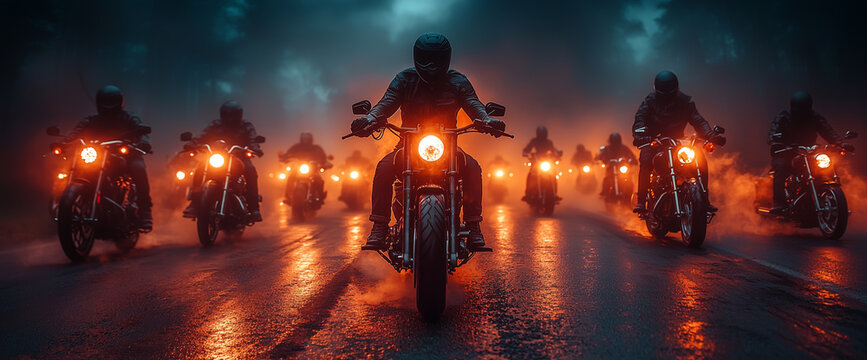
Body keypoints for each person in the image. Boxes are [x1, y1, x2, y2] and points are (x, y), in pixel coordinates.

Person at [350, 32, 505, 251]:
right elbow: (385, 104)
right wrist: (369, 119)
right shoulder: (404, 80)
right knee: (384, 168)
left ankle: (473, 227)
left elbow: (474, 104)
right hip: (407, 147)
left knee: (472, 167)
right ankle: (379, 226)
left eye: (437, 58)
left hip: (448, 147)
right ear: (416, 57)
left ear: (447, 58)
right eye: (426, 58)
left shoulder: (458, 81)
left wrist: (488, 120)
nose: (432, 64)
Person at [631, 70, 726, 215]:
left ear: (676, 89)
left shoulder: (686, 102)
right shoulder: (649, 102)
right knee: (646, 158)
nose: (668, 97)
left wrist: (711, 135)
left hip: (678, 141)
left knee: (699, 158)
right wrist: (642, 136)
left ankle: (704, 200)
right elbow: (640, 120)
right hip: (655, 140)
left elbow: (698, 120)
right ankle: (641, 201)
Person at [68, 85, 153, 231]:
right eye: (105, 101)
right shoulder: (92, 120)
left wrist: (143, 142)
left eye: (111, 101)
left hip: (125, 155)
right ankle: (65, 206)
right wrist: (66, 143)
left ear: (119, 102)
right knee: (76, 167)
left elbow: (141, 129)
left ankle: (145, 211)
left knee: (138, 168)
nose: (108, 106)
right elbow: (76, 132)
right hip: (99, 155)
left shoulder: (129, 118)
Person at [768, 91, 854, 213]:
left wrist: (840, 143)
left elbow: (828, 131)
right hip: (787, 151)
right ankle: (779, 204)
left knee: (825, 167)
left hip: (811, 150)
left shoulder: (814, 117)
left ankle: (828, 197)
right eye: (799, 109)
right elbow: (773, 133)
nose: (802, 113)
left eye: (805, 109)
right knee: (781, 167)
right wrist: (777, 143)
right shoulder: (783, 117)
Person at [183, 101, 263, 222]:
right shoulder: (215, 125)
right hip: (217, 156)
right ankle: (194, 203)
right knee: (200, 170)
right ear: (222, 114)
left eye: (233, 115)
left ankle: (253, 208)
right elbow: (201, 136)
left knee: (250, 171)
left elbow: (253, 139)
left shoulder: (246, 125)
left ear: (239, 115)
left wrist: (255, 148)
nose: (230, 118)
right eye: (227, 114)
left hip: (239, 157)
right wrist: (192, 144)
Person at [279, 132, 331, 200]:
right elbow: (288, 154)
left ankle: (320, 196)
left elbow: (323, 158)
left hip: (313, 170)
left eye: (307, 139)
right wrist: (284, 157)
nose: (305, 141)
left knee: (319, 180)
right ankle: (288, 196)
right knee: (291, 178)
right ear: (301, 139)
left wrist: (326, 163)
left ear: (311, 140)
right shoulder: (296, 147)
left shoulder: (316, 148)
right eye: (304, 139)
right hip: (298, 170)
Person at [521, 126, 562, 201]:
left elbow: (553, 149)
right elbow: (528, 148)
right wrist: (526, 152)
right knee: (530, 175)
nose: (542, 134)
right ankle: (527, 194)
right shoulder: (534, 141)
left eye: (543, 133)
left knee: (554, 175)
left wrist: (557, 154)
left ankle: (554, 194)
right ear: (537, 133)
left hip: (546, 161)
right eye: (540, 133)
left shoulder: (548, 142)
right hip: (536, 162)